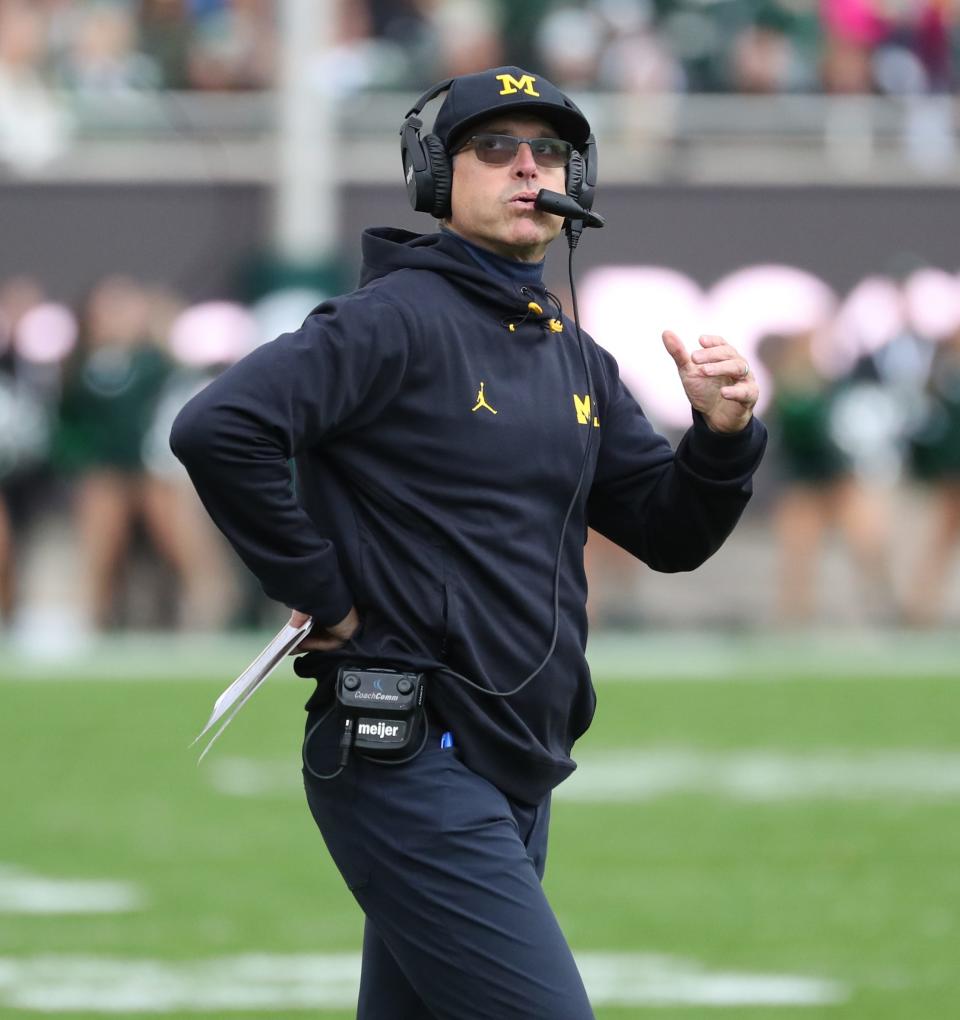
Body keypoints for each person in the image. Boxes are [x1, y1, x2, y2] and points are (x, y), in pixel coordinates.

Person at [171, 66, 765, 1020]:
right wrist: (323, 591)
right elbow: (216, 429)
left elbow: (669, 533)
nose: (528, 169)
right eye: (495, 149)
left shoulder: (573, 351)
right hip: (407, 759)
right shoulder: (392, 322)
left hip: (516, 759)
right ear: (434, 174)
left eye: (549, 152)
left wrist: (723, 440)